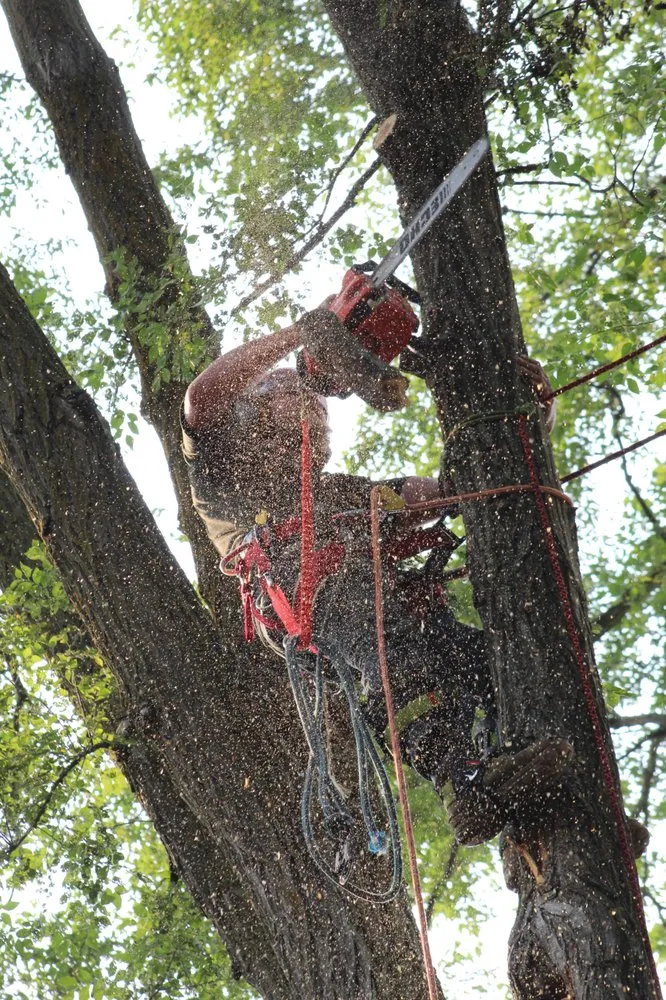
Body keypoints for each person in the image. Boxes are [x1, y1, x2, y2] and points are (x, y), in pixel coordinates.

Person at [181, 305, 570, 847]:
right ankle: (462, 781)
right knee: (383, 635)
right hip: (299, 586)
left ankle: (547, 800)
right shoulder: (223, 463)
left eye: (316, 400)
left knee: (489, 660)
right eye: (291, 391)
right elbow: (202, 396)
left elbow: (453, 490)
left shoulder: (347, 493)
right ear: (253, 409)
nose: (311, 404)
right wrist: (306, 331)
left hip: (372, 598)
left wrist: (527, 421)